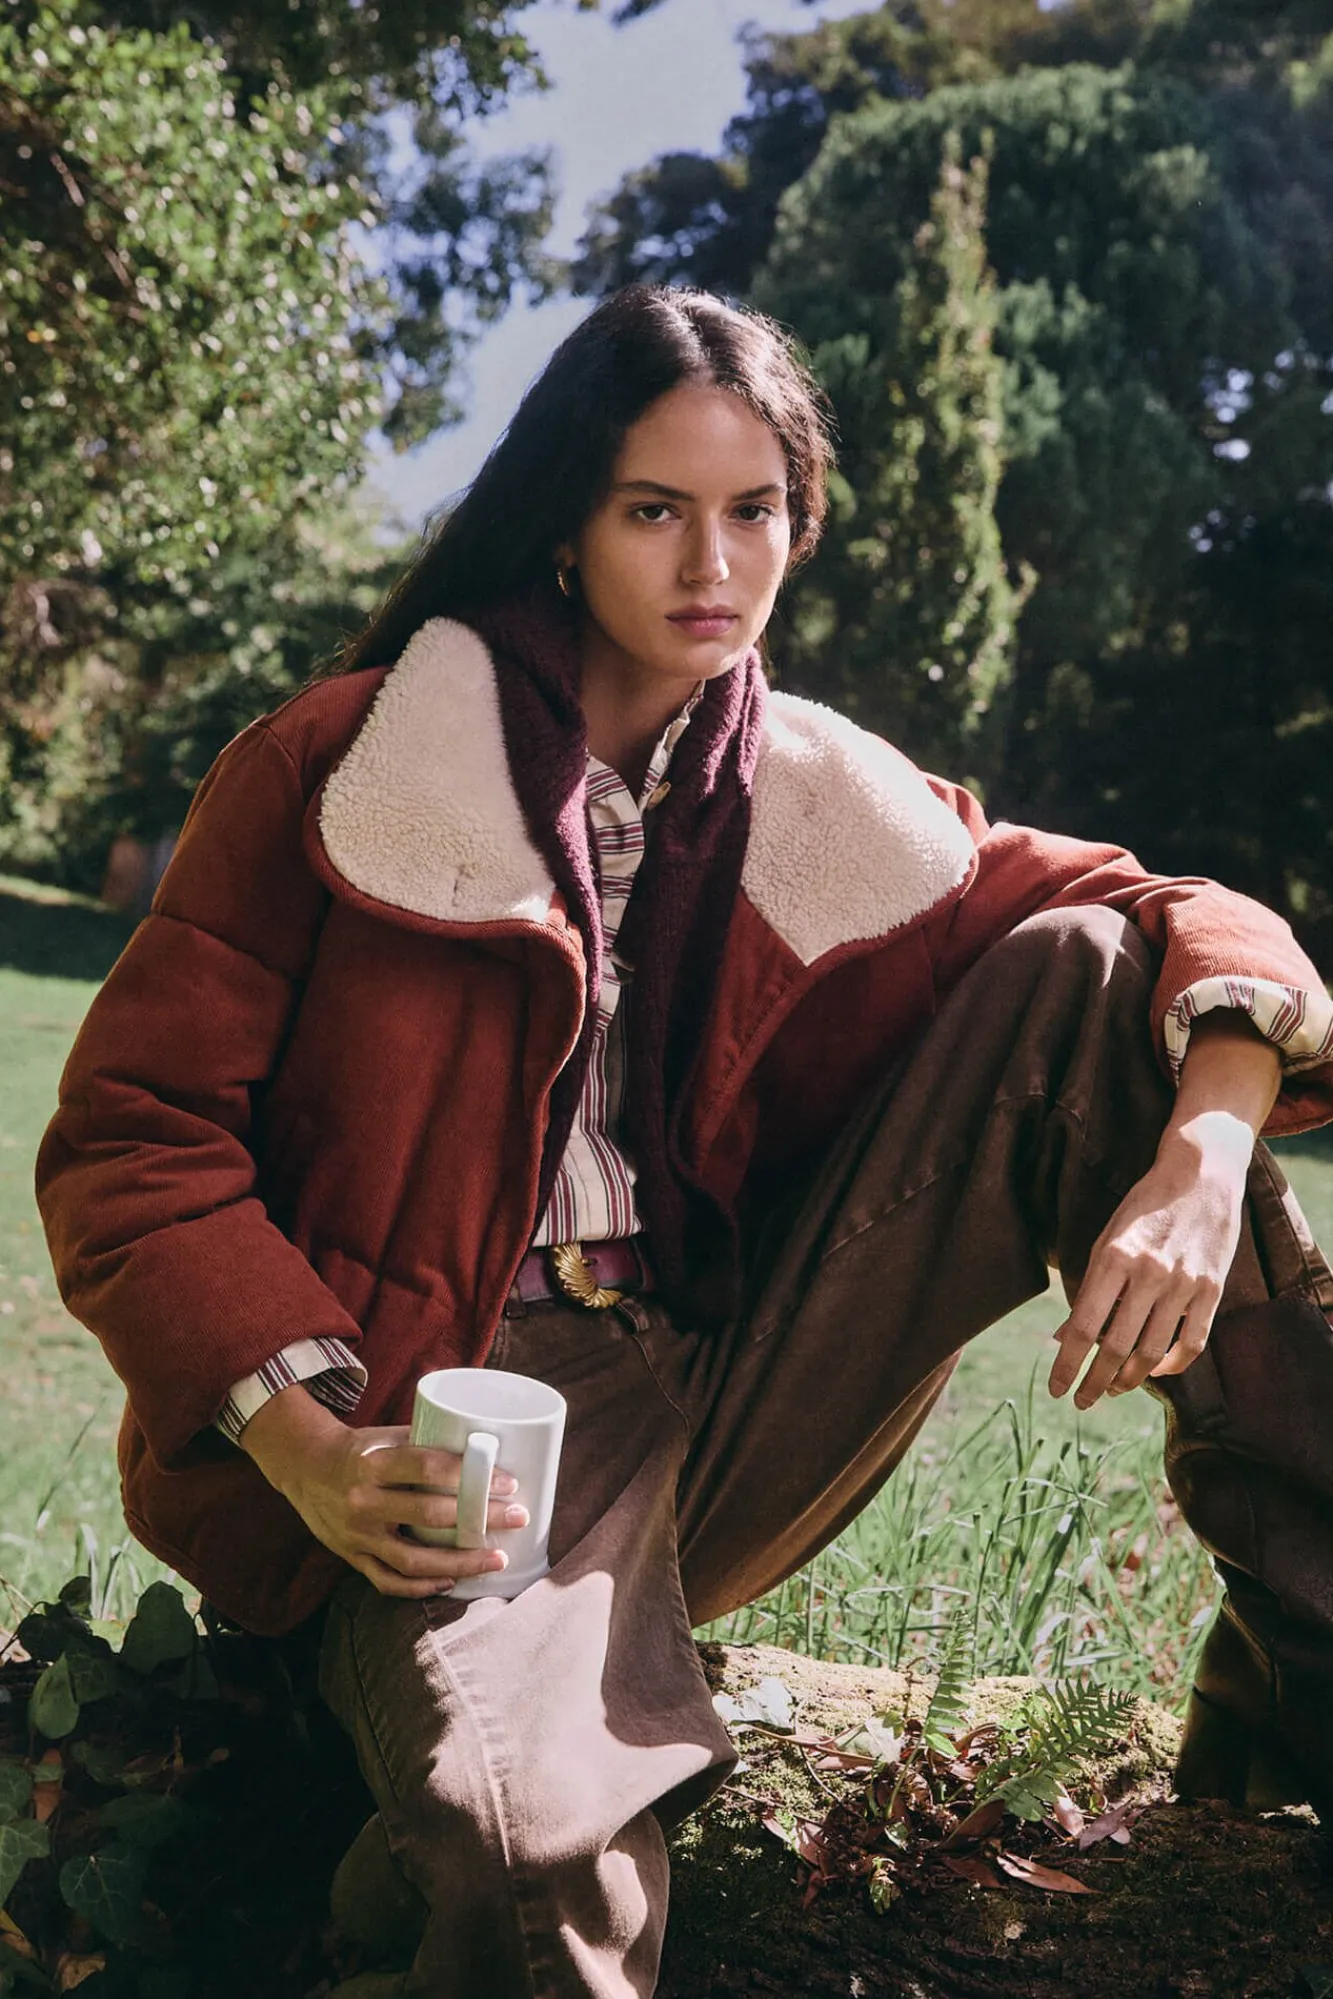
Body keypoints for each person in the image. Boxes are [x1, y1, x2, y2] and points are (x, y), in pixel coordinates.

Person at [35, 283, 1333, 1999]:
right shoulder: (341, 766)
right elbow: (132, 1142)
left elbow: (1166, 910)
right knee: (523, 1870)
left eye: (755, 509)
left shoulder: (828, 798)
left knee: (1088, 974)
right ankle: (392, 1834)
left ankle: (1308, 1667)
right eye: (656, 508)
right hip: (446, 1426)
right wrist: (307, 1446)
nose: (713, 563)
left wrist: (1210, 1151)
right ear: (565, 526)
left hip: (735, 1369)